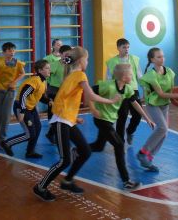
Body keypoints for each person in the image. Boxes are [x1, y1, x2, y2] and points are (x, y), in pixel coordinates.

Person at [33, 47, 121, 202]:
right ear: (81, 60)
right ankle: (40, 187)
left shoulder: (71, 75)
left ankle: (67, 181)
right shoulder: (79, 74)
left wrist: (75, 118)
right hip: (61, 120)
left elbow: (67, 99)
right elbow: (91, 95)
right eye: (87, 59)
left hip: (67, 119)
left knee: (85, 151)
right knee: (64, 160)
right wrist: (111, 100)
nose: (87, 62)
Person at [89, 63, 155, 190]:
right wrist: (93, 109)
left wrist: (147, 118)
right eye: (130, 74)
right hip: (101, 119)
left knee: (98, 146)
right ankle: (126, 181)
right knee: (119, 145)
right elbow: (90, 93)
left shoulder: (128, 89)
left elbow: (135, 103)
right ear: (124, 77)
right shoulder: (107, 86)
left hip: (109, 120)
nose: (132, 76)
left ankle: (78, 151)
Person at [137, 47, 178, 172]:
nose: (162, 58)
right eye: (158, 57)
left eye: (163, 56)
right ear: (152, 59)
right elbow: (161, 94)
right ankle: (143, 152)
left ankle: (149, 157)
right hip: (153, 104)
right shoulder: (151, 75)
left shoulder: (169, 72)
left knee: (164, 132)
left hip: (164, 104)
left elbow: (172, 90)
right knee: (162, 128)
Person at [0, 59, 51, 159]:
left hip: (31, 108)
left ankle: (30, 152)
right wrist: (22, 111)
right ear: (40, 70)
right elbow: (23, 95)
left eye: (49, 68)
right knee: (29, 134)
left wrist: (48, 101)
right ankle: (6, 143)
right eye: (47, 68)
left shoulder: (43, 81)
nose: (50, 70)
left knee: (38, 128)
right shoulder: (34, 81)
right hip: (21, 107)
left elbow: (40, 96)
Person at [0, 42, 25, 146]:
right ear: (4, 52)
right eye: (10, 50)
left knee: (6, 115)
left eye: (13, 50)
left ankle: (2, 139)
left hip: (10, 91)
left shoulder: (17, 63)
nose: (12, 52)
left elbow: (22, 73)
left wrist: (14, 82)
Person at [105, 38, 142, 144]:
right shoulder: (112, 62)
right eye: (124, 47)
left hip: (133, 91)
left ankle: (130, 131)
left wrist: (146, 89)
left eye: (128, 47)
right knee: (122, 117)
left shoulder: (134, 59)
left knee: (138, 115)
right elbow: (108, 79)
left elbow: (140, 76)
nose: (127, 49)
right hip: (120, 92)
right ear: (118, 48)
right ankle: (120, 142)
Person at [44, 45, 72, 144]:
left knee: (62, 115)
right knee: (57, 115)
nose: (68, 56)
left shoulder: (70, 64)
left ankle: (51, 134)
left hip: (65, 91)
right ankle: (54, 134)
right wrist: (45, 88)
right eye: (66, 54)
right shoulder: (55, 64)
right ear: (60, 54)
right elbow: (45, 75)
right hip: (55, 91)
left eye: (69, 54)